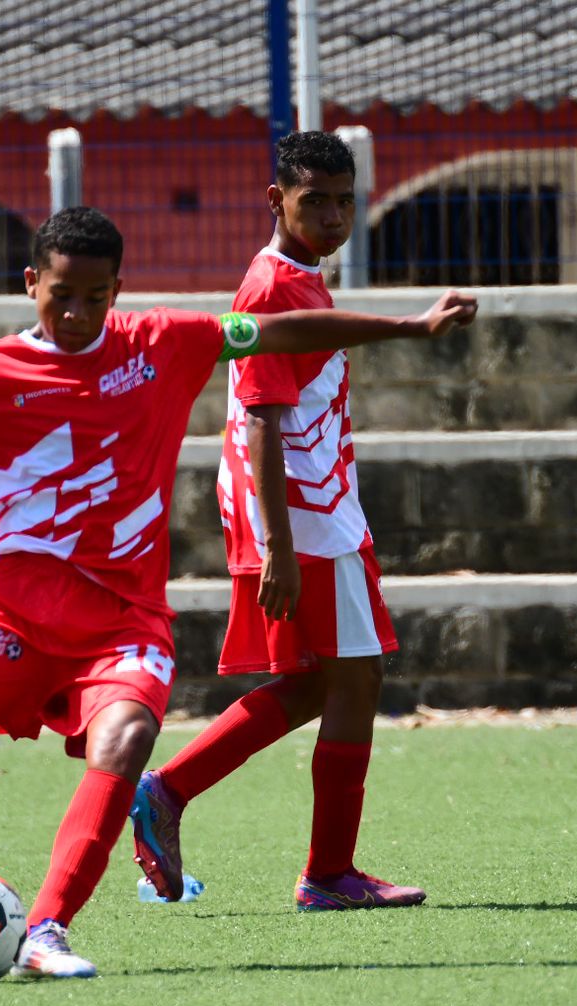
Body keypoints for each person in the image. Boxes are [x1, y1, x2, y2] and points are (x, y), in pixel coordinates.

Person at [0, 206, 477, 978]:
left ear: (120, 289)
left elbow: (276, 331)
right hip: (5, 614)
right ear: (30, 284)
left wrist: (409, 329)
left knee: (127, 737)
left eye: (95, 296)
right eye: (60, 294)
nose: (76, 312)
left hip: (124, 620)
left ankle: (45, 930)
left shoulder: (162, 344)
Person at [128, 131, 438, 907]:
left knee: (312, 684)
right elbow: (261, 421)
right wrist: (279, 548)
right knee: (356, 676)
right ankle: (328, 873)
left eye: (343, 201)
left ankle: (167, 791)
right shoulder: (272, 290)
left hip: (316, 508)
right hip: (304, 518)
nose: (332, 216)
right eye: (314, 202)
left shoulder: (300, 277)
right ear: (276, 201)